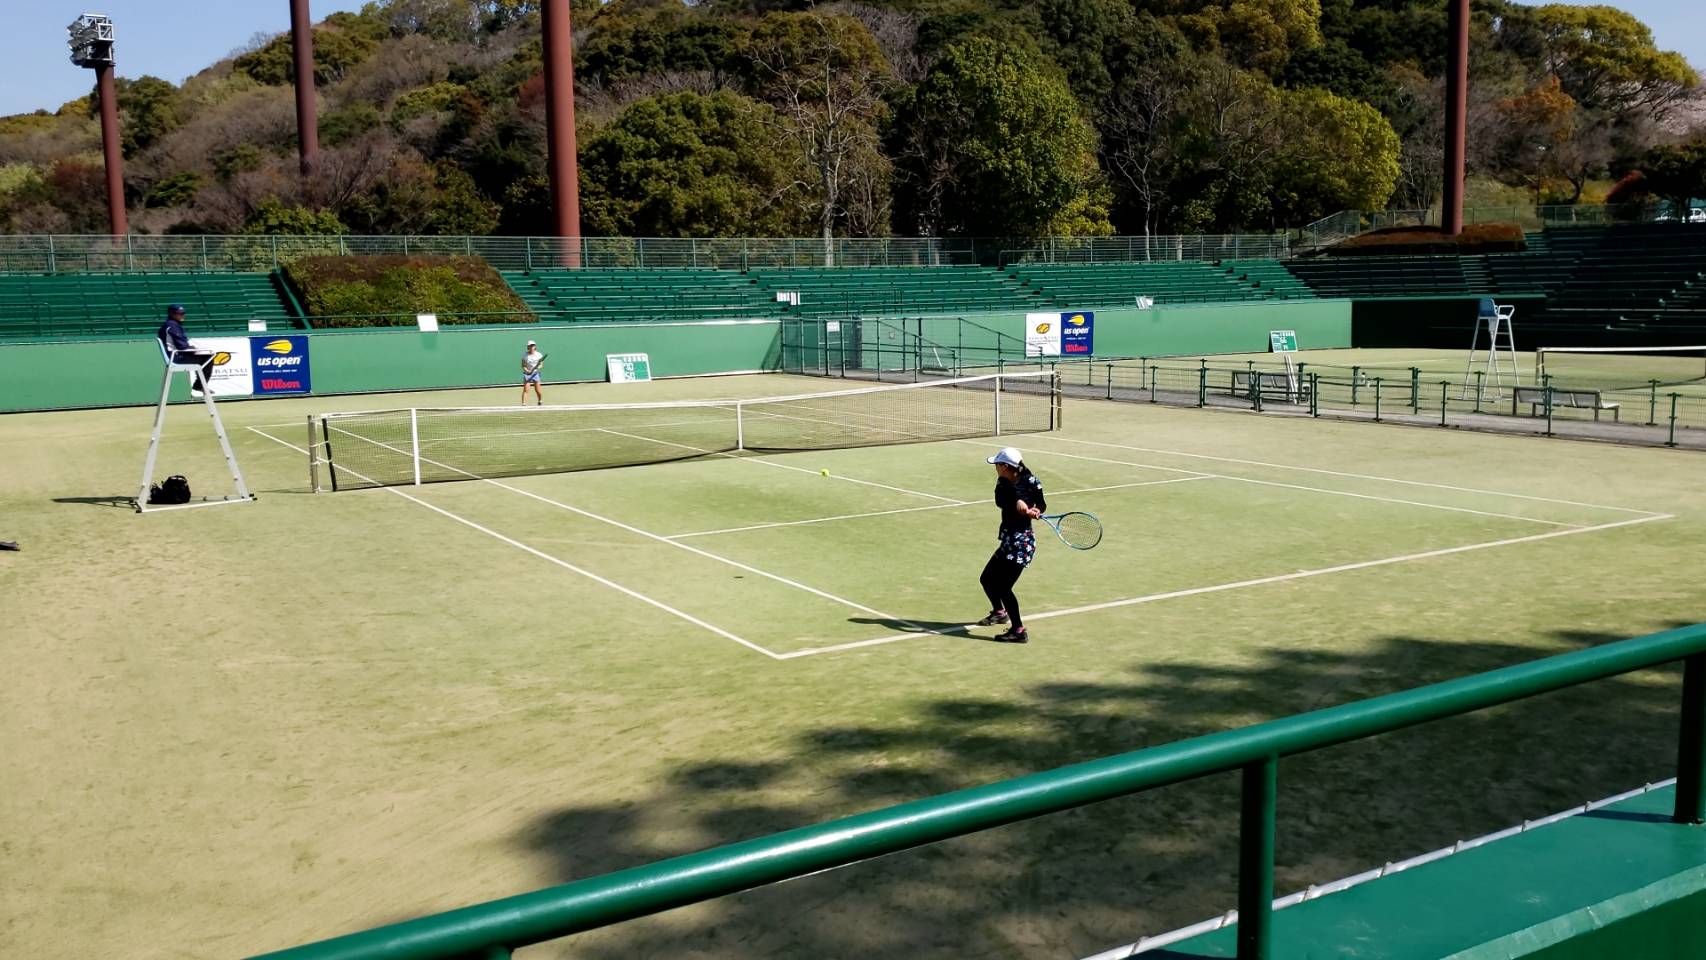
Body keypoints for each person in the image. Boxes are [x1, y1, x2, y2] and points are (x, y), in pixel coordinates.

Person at [977, 446, 1045, 643]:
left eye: (997, 464)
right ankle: (1000, 612)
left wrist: (1036, 510)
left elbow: (1041, 503)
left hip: (1021, 543)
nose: (995, 468)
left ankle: (1018, 630)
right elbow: (1001, 501)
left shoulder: (1032, 481)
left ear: (1005, 466)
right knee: (987, 579)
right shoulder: (1002, 482)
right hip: (1008, 539)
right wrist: (1018, 503)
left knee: (1004, 587)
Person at [156, 304, 215, 394]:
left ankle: (200, 385)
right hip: (177, 357)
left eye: (183, 313)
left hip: (175, 355)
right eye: (179, 313)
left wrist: (193, 349)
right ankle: (199, 386)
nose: (182, 315)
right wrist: (193, 350)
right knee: (209, 357)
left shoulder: (169, 324)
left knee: (204, 356)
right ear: (171, 314)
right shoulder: (172, 325)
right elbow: (182, 346)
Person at [521, 339, 545, 406]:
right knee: (526, 390)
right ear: (528, 347)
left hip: (535, 374)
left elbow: (541, 365)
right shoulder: (524, 355)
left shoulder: (539, 355)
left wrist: (537, 368)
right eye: (530, 346)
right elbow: (523, 365)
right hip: (527, 374)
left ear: (535, 346)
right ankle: (523, 403)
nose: (531, 347)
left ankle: (540, 401)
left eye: (533, 345)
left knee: (538, 390)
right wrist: (527, 371)